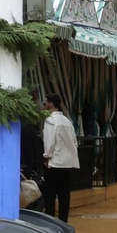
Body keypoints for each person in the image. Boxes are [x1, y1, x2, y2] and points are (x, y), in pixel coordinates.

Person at [42, 94, 80, 222]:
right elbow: (74, 142)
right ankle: (63, 222)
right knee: (64, 195)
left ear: (50, 104)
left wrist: (47, 157)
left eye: (45, 103)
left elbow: (49, 142)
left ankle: (50, 223)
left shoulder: (50, 121)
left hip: (55, 163)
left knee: (50, 196)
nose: (44, 105)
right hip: (68, 163)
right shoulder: (67, 121)